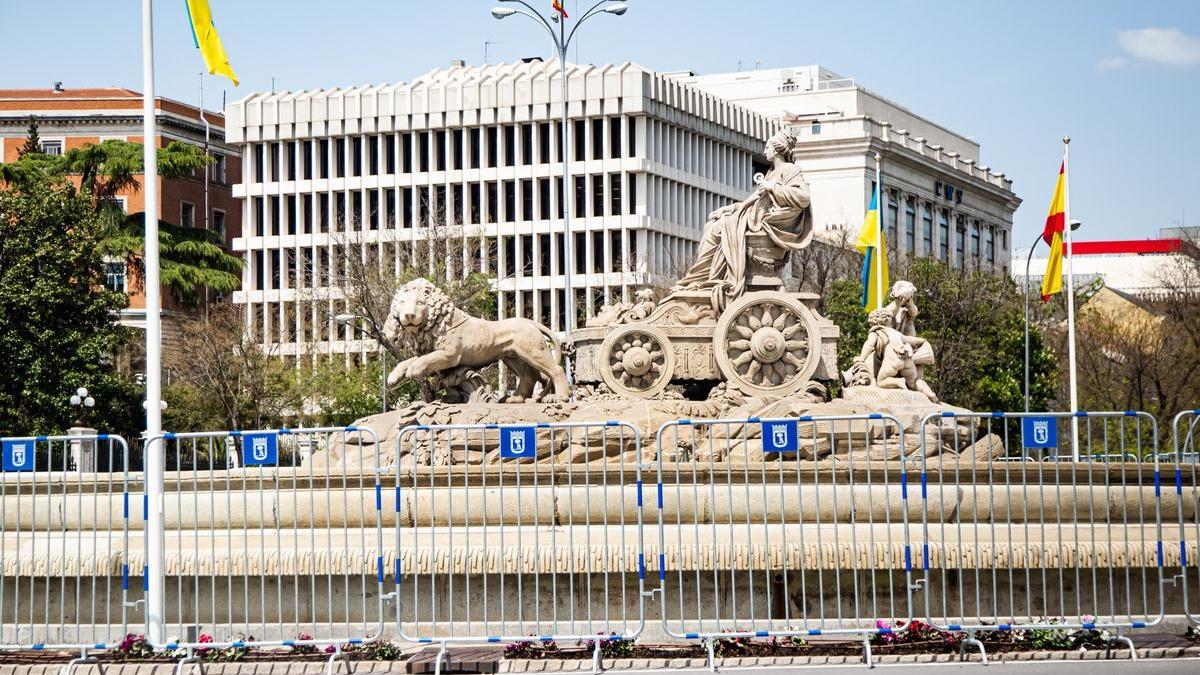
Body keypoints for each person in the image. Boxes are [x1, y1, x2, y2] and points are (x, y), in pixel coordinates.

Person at [671, 128, 812, 304]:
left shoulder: (790, 170)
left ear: (776, 150)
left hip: (768, 222)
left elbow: (803, 197)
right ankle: (699, 278)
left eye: (767, 147)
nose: (764, 151)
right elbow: (753, 200)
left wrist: (771, 187)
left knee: (719, 229)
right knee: (714, 224)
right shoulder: (771, 172)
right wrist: (730, 209)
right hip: (755, 216)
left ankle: (699, 278)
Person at [851, 308, 938, 402]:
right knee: (914, 382)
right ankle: (929, 393)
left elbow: (869, 344)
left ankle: (898, 382)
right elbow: (910, 339)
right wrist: (922, 341)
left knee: (881, 382)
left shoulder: (877, 332)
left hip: (893, 358)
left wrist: (861, 358)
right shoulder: (897, 333)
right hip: (907, 357)